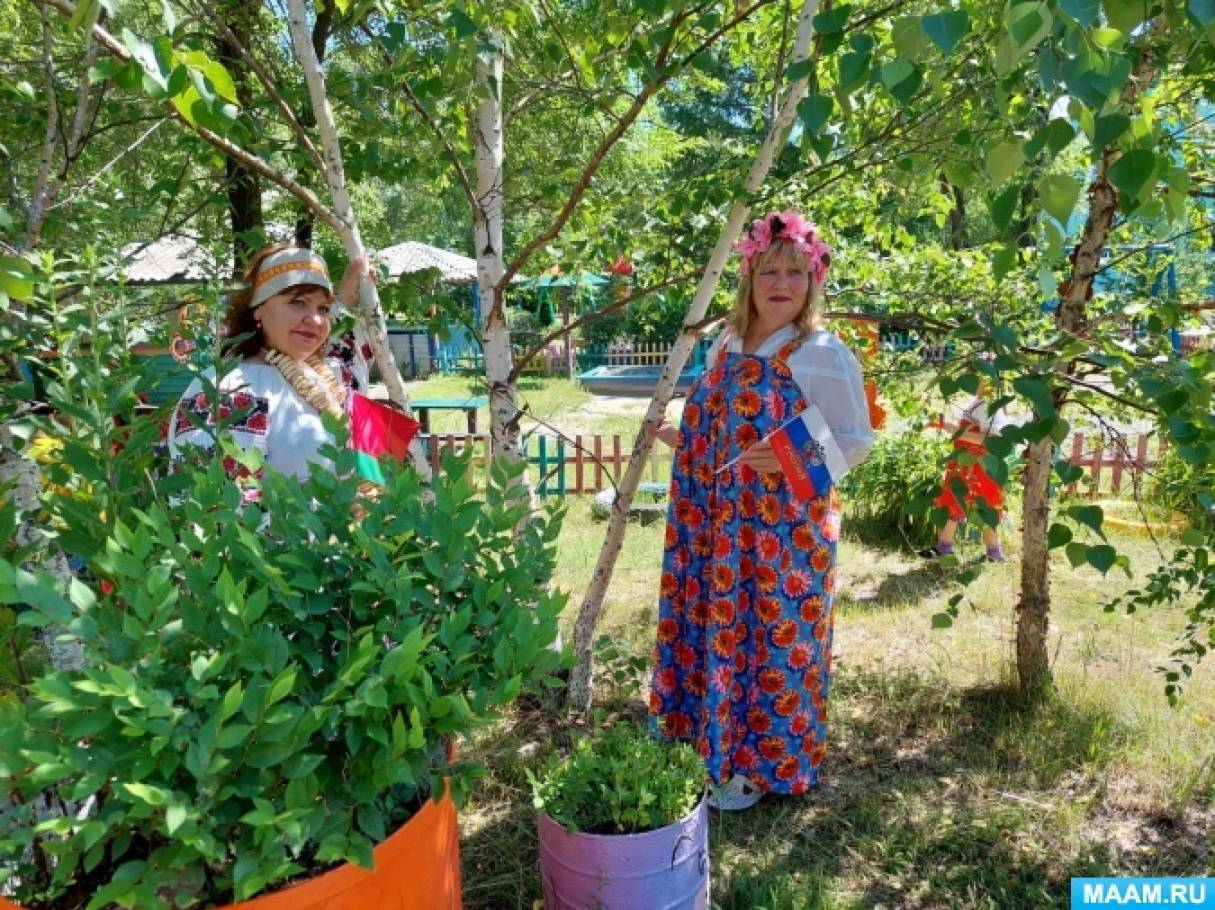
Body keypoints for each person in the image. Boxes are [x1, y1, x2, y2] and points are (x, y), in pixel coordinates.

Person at [649, 211, 874, 811]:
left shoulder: (821, 353)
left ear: (813, 281)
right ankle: (709, 746)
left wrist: (789, 456)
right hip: (714, 524)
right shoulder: (724, 343)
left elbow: (856, 440)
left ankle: (762, 765)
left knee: (772, 638)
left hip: (782, 532)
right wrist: (684, 439)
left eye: (795, 272)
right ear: (748, 278)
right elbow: (722, 425)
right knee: (712, 624)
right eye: (768, 269)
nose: (781, 282)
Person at [167, 244, 377, 488]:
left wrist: (352, 298)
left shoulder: (317, 374)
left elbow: (349, 358)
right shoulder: (231, 388)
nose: (316, 319)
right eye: (298, 302)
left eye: (323, 308)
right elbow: (216, 504)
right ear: (259, 309)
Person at [920, 383, 1009, 562]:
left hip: (978, 463)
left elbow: (991, 439)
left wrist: (957, 434)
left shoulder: (989, 406)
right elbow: (964, 430)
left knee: (981, 505)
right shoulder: (977, 402)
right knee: (956, 500)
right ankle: (945, 548)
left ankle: (992, 552)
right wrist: (943, 424)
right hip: (964, 462)